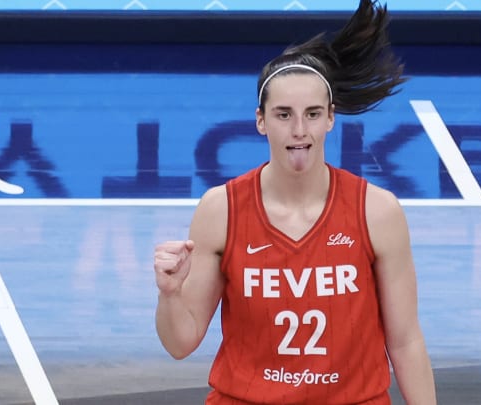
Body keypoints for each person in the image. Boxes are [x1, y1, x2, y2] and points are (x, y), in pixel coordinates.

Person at [154, 0, 437, 403]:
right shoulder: (222, 210)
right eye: (284, 114)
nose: (299, 130)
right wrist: (169, 296)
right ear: (260, 120)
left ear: (330, 118)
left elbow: (406, 341)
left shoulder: (377, 211)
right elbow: (180, 343)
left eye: (312, 114)